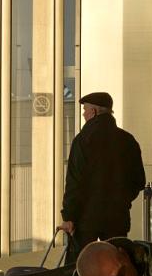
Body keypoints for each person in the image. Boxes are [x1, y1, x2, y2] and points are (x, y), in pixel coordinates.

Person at [59, 92, 146, 263]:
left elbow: (74, 182)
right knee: (116, 262)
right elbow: (138, 180)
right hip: (117, 215)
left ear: (94, 112)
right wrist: (123, 200)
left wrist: (69, 215)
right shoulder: (127, 140)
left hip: (86, 216)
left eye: (85, 110)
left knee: (80, 265)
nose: (84, 114)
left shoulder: (83, 140)